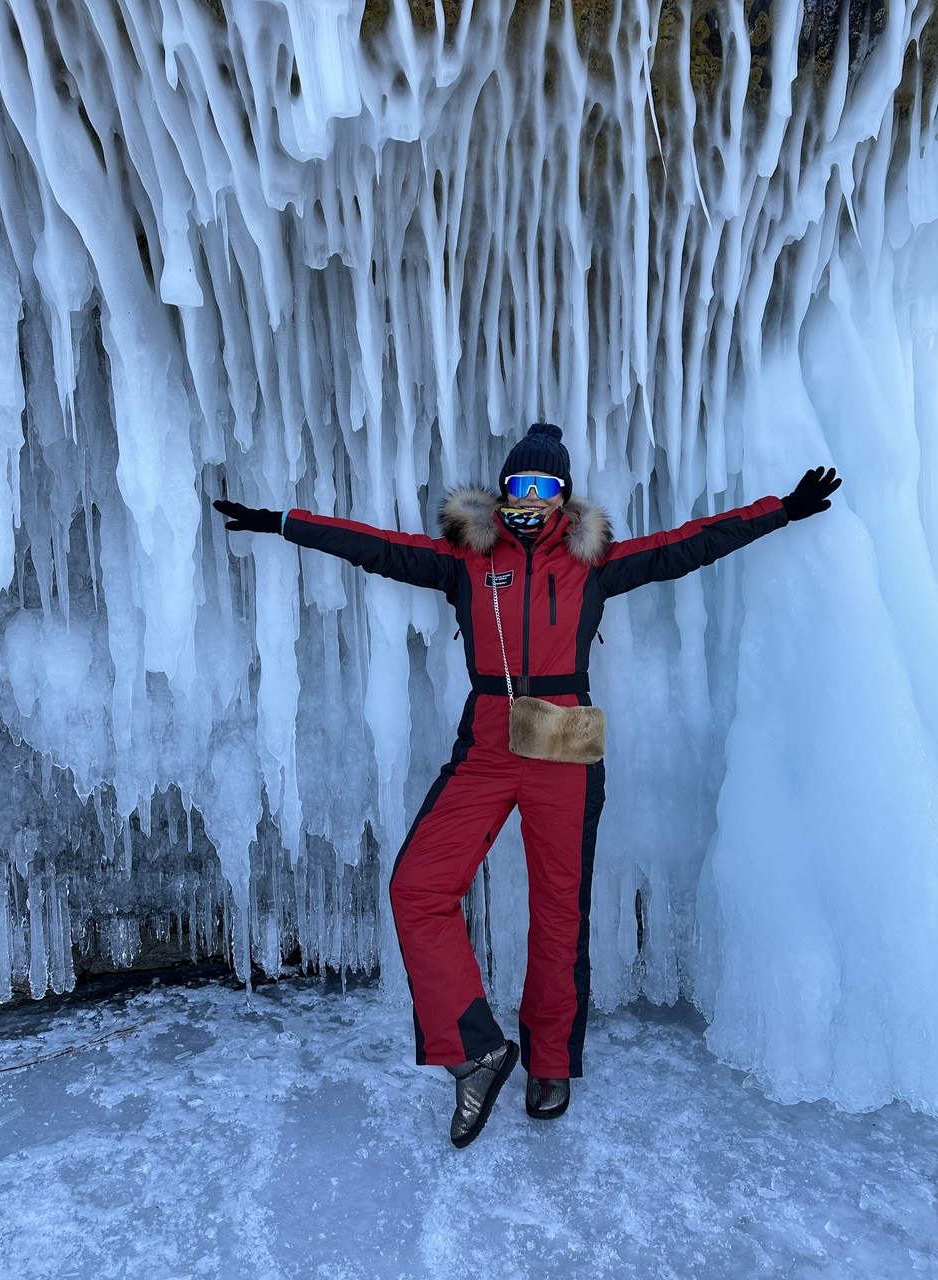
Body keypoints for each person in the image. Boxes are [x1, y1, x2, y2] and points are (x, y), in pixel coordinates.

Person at [215, 423, 841, 1148]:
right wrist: (283, 522)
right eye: (519, 484)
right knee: (418, 887)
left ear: (563, 497)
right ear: (502, 491)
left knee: (559, 915)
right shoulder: (467, 559)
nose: (530, 498)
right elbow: (373, 545)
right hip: (487, 743)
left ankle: (550, 1062)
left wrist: (780, 510)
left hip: (564, 744)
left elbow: (690, 543)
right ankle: (477, 1051)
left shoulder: (593, 562)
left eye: (544, 487)